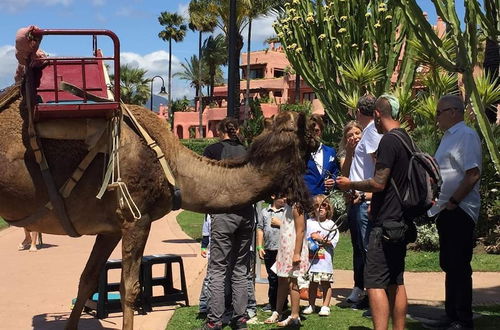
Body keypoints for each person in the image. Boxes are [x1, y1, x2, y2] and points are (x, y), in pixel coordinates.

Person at [336, 94, 411, 330]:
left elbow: (379, 183)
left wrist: (352, 185)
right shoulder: (406, 138)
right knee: (396, 281)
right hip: (401, 219)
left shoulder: (387, 140)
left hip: (384, 220)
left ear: (377, 114)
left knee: (376, 282)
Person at [427, 95, 481, 330]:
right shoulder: (449, 137)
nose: (436, 118)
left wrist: (453, 202)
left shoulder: (465, 136)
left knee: (459, 265)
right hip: (447, 209)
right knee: (449, 263)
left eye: (439, 113)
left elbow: (472, 173)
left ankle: (463, 318)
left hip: (459, 209)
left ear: (453, 112)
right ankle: (451, 315)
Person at [201, 118, 254, 330]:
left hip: (223, 212)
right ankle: (240, 318)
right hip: (246, 213)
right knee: (240, 268)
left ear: (219, 131)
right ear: (237, 130)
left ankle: (215, 320)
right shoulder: (248, 152)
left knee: (218, 268)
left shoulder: (212, 150)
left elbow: (204, 179)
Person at [345, 95, 382, 305]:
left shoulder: (371, 133)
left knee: (366, 247)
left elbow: (379, 165)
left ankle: (370, 292)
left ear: (359, 111)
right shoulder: (368, 132)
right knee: (359, 246)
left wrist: (369, 194)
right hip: (356, 198)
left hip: (364, 199)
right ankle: (361, 287)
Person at [264, 202, 309, 327]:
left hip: (293, 249)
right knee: (281, 279)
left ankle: (295, 315)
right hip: (284, 248)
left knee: (293, 282)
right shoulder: (287, 207)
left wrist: (296, 253)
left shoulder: (297, 206)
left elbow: (300, 231)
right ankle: (278, 311)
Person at [303, 194, 339, 317]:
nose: (320, 208)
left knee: (325, 283)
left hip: (325, 262)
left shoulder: (331, 224)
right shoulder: (308, 223)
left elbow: (333, 242)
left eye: (323, 205)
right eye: (317, 206)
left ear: (328, 208)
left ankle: (325, 306)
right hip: (311, 261)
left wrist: (320, 239)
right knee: (312, 283)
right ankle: (311, 305)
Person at [256, 194, 287, 313]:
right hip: (269, 249)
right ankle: (272, 302)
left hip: (283, 250)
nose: (284, 199)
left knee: (282, 278)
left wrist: (280, 223)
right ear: (273, 196)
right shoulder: (264, 212)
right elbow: (260, 228)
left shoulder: (286, 212)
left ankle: (283, 303)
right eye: (282, 197)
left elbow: (293, 227)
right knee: (272, 278)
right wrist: (259, 246)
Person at [304, 114, 339, 195]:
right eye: (310, 131)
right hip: (305, 199)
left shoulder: (330, 152)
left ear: (321, 131)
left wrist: (333, 182)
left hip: (324, 201)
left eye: (316, 131)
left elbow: (335, 172)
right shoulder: (300, 153)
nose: (313, 134)